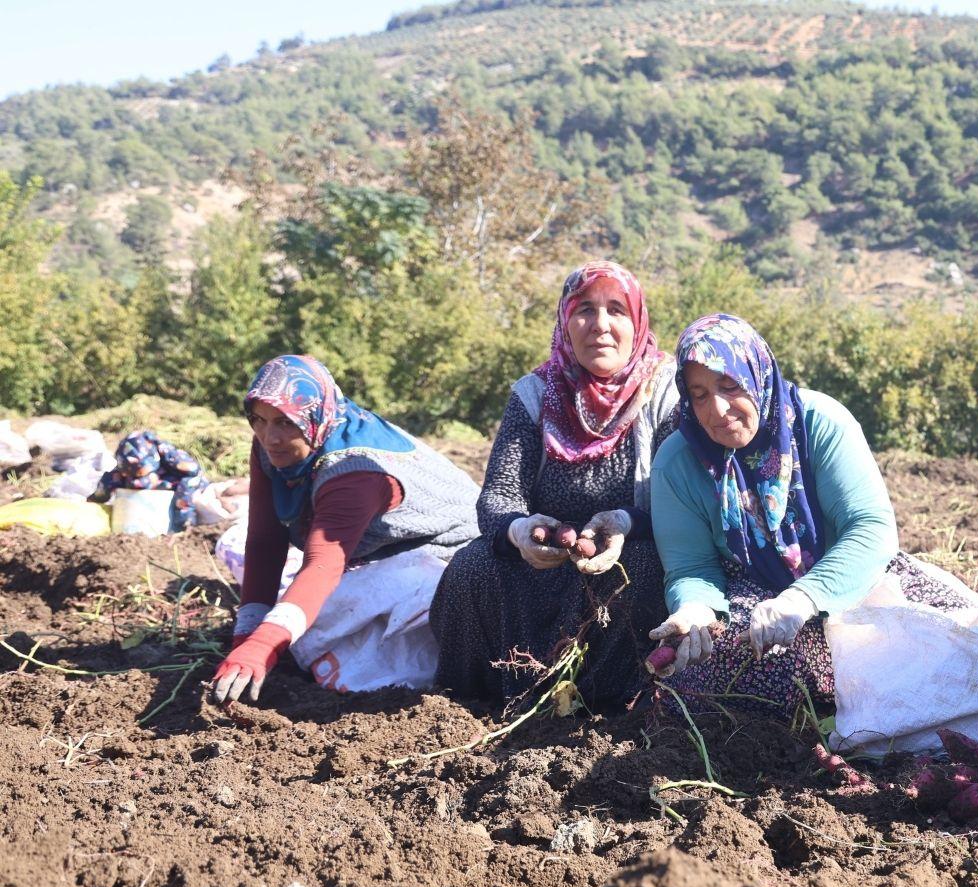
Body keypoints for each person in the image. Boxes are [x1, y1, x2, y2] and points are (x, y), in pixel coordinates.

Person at [648, 313, 978, 714]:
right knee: (712, 680)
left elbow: (869, 529)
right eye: (699, 394)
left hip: (848, 574)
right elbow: (692, 566)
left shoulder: (819, 423)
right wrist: (696, 608)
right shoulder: (679, 460)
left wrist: (803, 597)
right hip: (753, 592)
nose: (716, 409)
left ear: (756, 374)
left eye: (729, 384)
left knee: (964, 645)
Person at [430, 261, 679, 709]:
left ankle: (616, 704)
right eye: (584, 309)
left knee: (642, 570)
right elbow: (499, 495)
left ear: (637, 321)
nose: (600, 326)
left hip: (628, 553)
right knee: (470, 568)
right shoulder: (534, 393)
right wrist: (520, 532)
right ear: (565, 321)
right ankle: (469, 702)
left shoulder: (664, 393)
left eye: (616, 310)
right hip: (543, 561)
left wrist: (623, 523)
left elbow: (681, 502)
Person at [211, 355, 480, 703]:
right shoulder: (273, 446)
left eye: (283, 423)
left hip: (450, 554)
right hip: (378, 550)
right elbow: (265, 540)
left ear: (314, 417)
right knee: (300, 626)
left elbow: (323, 564)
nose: (270, 437)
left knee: (365, 655)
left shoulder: (354, 471)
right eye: (258, 420)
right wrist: (245, 636)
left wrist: (264, 646)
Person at [88, 430, 209, 530]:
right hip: (138, 507)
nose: (136, 480)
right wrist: (94, 501)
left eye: (139, 474)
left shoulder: (172, 457)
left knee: (185, 492)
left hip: (171, 488)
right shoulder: (123, 466)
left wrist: (182, 520)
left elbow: (193, 475)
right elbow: (104, 488)